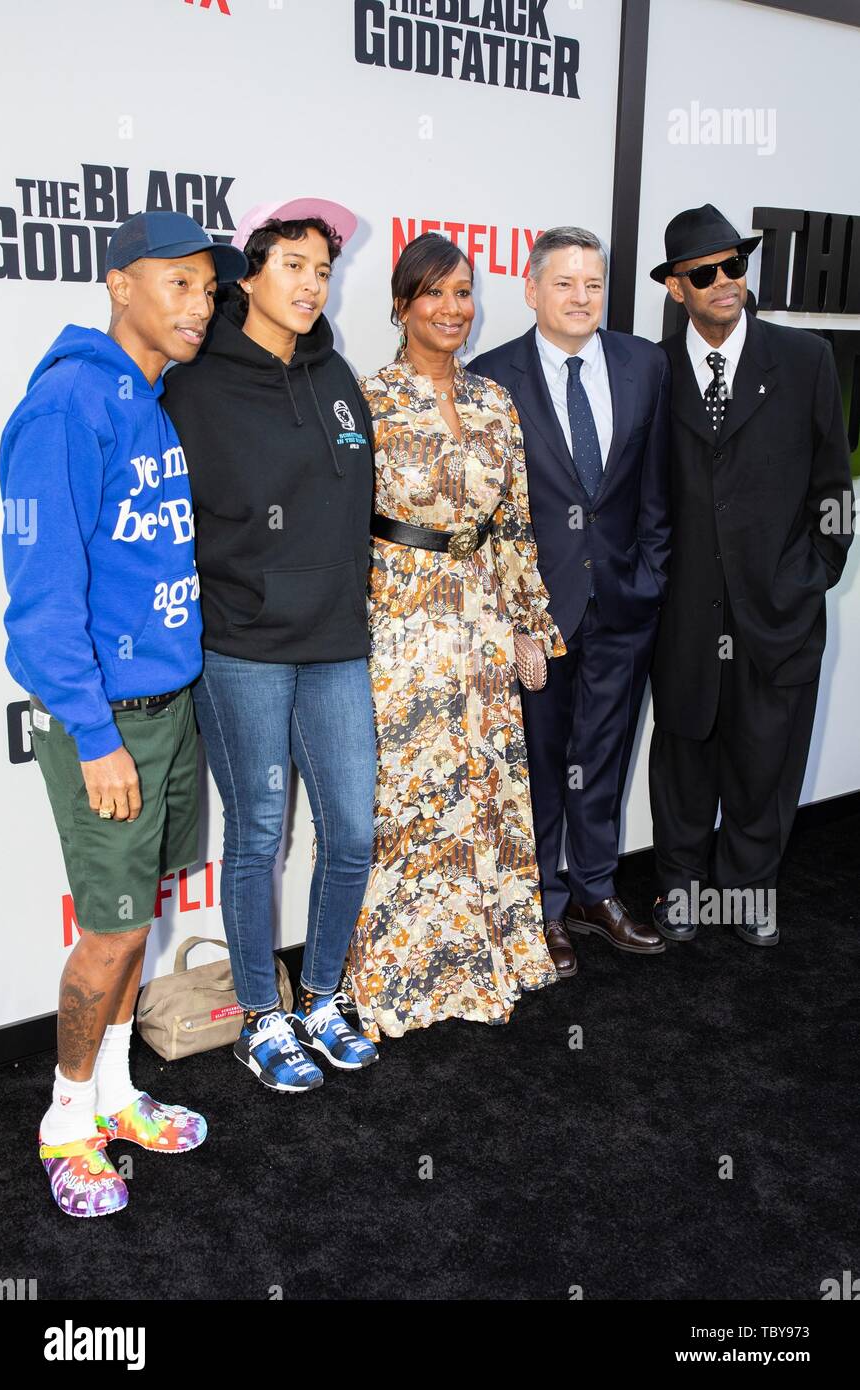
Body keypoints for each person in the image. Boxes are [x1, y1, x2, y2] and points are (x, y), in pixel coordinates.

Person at [0, 211, 247, 1217]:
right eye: (177, 283)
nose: (199, 305)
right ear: (118, 284)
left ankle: (112, 1090)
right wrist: (97, 736)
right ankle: (65, 1119)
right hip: (108, 720)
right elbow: (40, 603)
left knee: (136, 918)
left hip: (168, 705)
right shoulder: (68, 406)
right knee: (105, 932)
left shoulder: (146, 400)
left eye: (207, 289)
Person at [162, 199, 380, 1091]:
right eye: (292, 264)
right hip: (242, 645)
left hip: (335, 642)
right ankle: (261, 1014)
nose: (310, 284)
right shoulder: (194, 383)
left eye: (322, 269)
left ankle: (321, 996)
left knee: (354, 832)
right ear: (247, 276)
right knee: (259, 834)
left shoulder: (335, 374)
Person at [346, 232, 564, 1041]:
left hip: (480, 619)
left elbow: (513, 525)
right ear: (401, 305)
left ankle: (485, 959)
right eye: (433, 293)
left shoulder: (494, 402)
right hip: (398, 618)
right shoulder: (367, 401)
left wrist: (529, 628)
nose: (452, 309)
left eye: (464, 291)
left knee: (483, 787)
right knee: (409, 799)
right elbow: (345, 530)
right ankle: (404, 973)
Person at [648, 204, 854, 946]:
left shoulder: (804, 362)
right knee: (682, 755)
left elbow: (834, 491)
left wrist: (814, 573)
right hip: (684, 616)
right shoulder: (654, 371)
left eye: (735, 264)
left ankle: (747, 892)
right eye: (705, 273)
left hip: (779, 611)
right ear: (677, 288)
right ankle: (681, 889)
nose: (726, 281)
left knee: (766, 759)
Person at [469, 227, 670, 977]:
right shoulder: (492, 376)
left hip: (623, 603)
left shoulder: (644, 364)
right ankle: (543, 906)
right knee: (543, 765)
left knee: (605, 756)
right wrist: (511, 615)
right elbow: (486, 510)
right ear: (530, 290)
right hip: (537, 618)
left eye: (593, 284)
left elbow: (656, 485)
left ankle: (594, 890)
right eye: (565, 283)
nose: (582, 298)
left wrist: (650, 574)